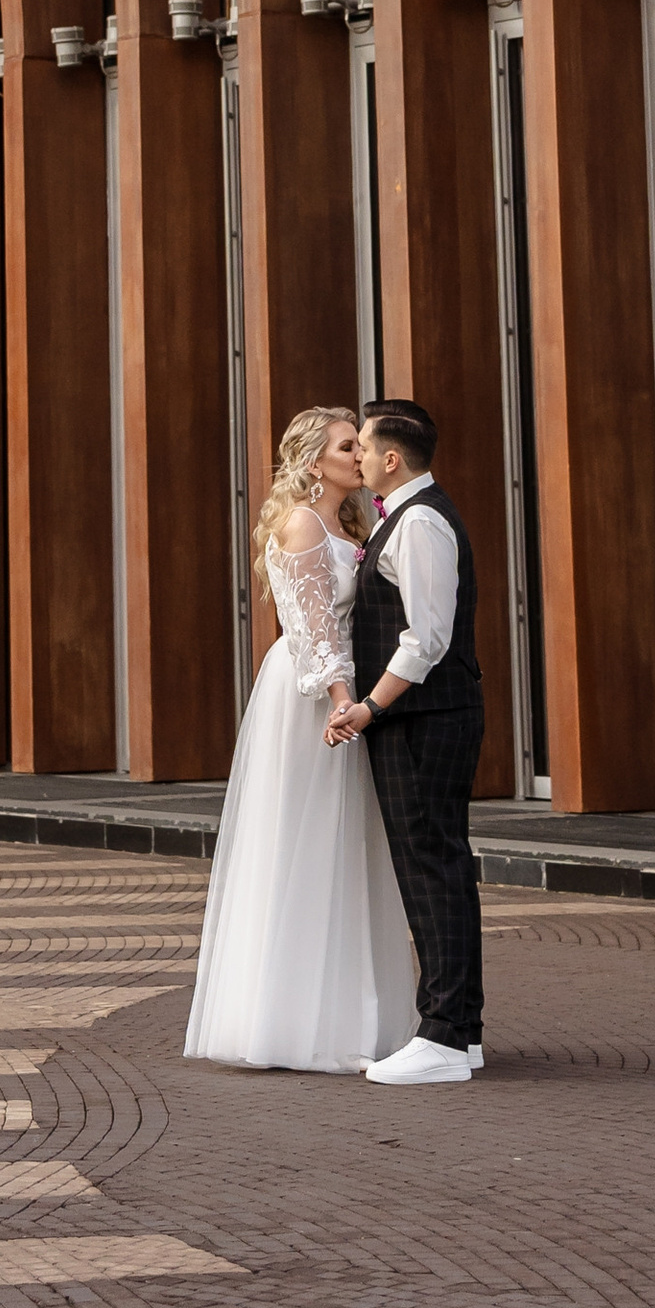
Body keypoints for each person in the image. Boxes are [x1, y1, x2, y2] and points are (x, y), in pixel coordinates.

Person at [182, 406, 417, 1072]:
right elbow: (313, 626)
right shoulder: (303, 522)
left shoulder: (348, 523)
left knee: (343, 844)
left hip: (337, 689)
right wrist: (347, 703)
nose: (358, 456)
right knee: (309, 841)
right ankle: (293, 1022)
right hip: (315, 695)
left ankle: (342, 1010)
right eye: (347, 447)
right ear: (316, 463)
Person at [327, 397, 485, 1086]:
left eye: (362, 445)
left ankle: (446, 1038)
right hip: (424, 717)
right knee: (435, 864)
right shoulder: (409, 518)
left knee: (432, 867)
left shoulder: (419, 522)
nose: (356, 455)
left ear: (392, 459)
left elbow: (427, 638)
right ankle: (461, 1033)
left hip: (425, 718)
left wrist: (367, 708)